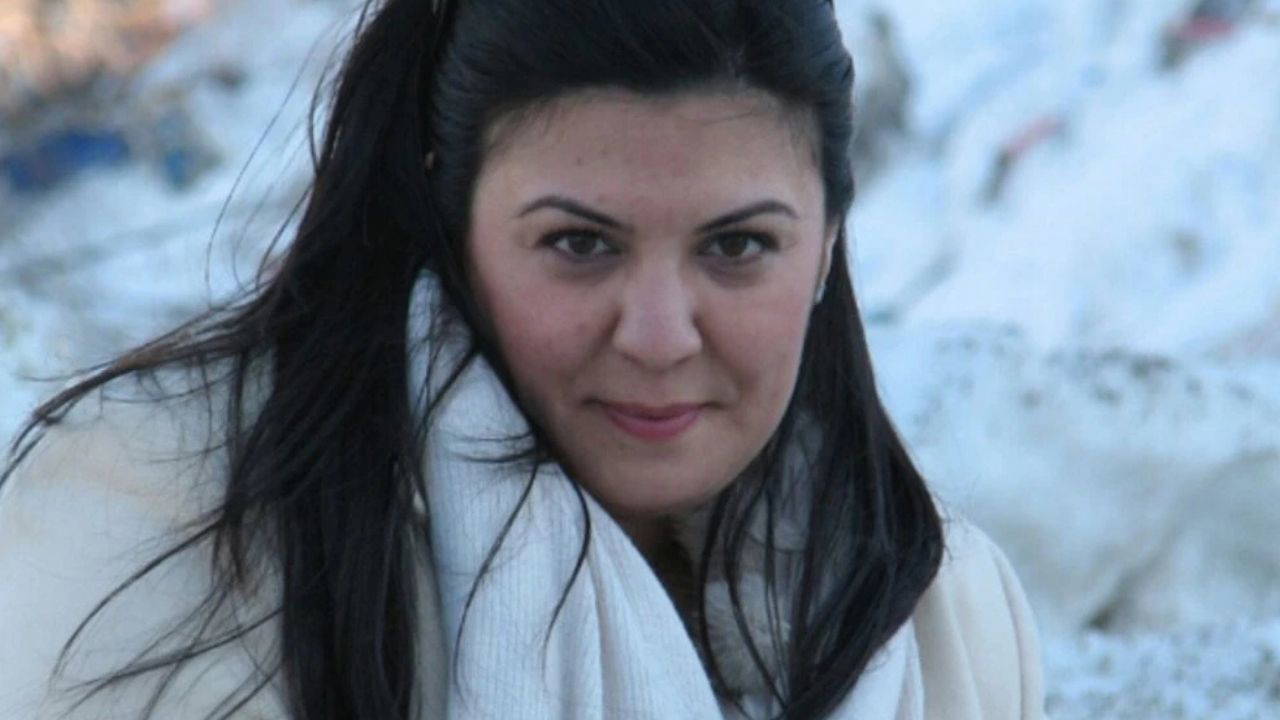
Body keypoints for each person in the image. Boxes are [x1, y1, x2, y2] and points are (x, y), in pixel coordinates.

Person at [0, 0, 1048, 718]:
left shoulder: (946, 624)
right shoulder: (161, 533)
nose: (657, 337)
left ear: (825, 247)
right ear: (446, 216)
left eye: (736, 247)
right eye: (579, 244)